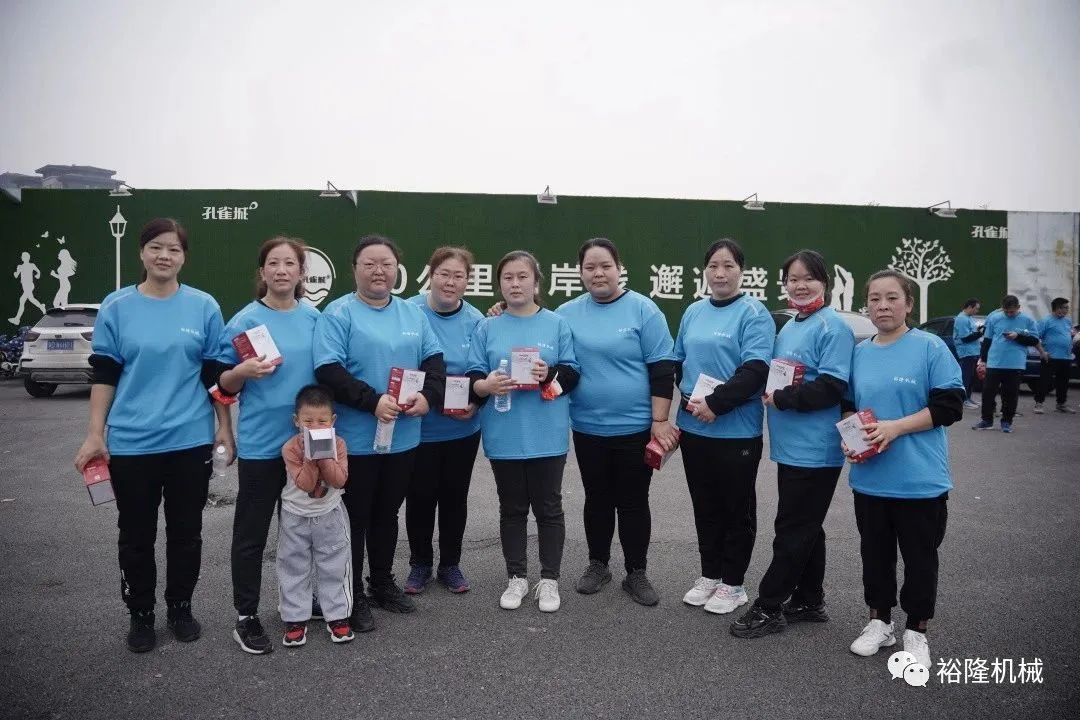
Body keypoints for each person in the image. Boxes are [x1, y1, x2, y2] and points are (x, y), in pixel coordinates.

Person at [73, 218, 234, 653]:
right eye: (156, 247)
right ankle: (140, 613)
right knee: (136, 536)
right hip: (132, 442)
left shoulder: (203, 306)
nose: (165, 256)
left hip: (189, 441)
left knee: (186, 532)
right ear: (142, 252)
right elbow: (105, 373)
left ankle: (180, 607)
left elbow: (214, 375)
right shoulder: (117, 306)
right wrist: (95, 434)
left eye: (174, 249)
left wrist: (224, 427)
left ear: (184, 257)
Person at [313, 235, 445, 632]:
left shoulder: (412, 314)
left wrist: (427, 397)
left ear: (397, 270)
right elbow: (328, 371)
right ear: (354, 268)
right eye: (369, 263)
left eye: (386, 264)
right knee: (354, 518)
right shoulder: (338, 313)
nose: (378, 271)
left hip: (403, 437)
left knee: (388, 513)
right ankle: (350, 594)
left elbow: (434, 362)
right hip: (356, 439)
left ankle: (382, 582)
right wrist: (371, 402)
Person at [843, 269, 964, 670]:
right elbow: (849, 405)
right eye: (874, 298)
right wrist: (851, 437)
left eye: (892, 298)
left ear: (909, 304)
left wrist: (895, 427)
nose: (883, 306)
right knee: (875, 556)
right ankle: (879, 622)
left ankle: (916, 630)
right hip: (870, 480)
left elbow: (949, 406)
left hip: (920, 481)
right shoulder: (860, 353)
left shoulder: (930, 347)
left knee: (920, 559)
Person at [731, 250, 854, 638]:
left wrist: (784, 399)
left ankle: (769, 606)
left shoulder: (833, 328)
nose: (800, 286)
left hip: (816, 449)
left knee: (792, 527)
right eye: (792, 279)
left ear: (824, 282)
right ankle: (809, 599)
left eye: (808, 278)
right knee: (806, 525)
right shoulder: (791, 325)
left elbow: (832, 386)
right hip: (791, 447)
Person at [556, 238, 677, 606]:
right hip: (587, 427)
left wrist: (660, 420)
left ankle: (636, 572)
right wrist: (501, 311)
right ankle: (598, 564)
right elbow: (538, 336)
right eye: (590, 267)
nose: (598, 273)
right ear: (580, 273)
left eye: (605, 266)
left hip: (635, 429)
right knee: (596, 499)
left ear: (619, 268)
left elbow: (662, 369)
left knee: (633, 501)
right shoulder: (566, 314)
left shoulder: (644, 310)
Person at [214, 237, 320, 654]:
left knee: (301, 531)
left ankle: (297, 601)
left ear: (300, 272)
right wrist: (241, 372)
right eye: (273, 263)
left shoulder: (315, 318)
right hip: (261, 445)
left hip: (306, 444)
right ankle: (246, 615)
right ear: (262, 272)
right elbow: (221, 385)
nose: (281, 270)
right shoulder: (244, 321)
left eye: (289, 263)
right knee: (252, 533)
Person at [466, 250, 579, 613]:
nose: (515, 284)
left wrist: (549, 374)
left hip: (547, 433)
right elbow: (473, 376)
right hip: (504, 434)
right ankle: (516, 577)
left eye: (522, 276)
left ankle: (550, 579)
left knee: (549, 509)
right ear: (499, 284)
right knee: (512, 509)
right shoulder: (486, 327)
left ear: (536, 282)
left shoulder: (557, 324)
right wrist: (486, 385)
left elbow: (572, 373)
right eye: (508, 277)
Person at [674, 239, 775, 617]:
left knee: (736, 509)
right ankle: (710, 574)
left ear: (741, 271)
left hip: (736, 431)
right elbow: (679, 361)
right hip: (694, 428)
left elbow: (756, 370)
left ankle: (733, 583)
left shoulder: (754, 313)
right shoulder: (693, 311)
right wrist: (689, 400)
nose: (720, 273)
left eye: (728, 265)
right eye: (713, 266)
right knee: (705, 506)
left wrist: (716, 404)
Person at [403, 247, 485, 595]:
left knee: (454, 497)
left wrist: (476, 403)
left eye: (458, 276)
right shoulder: (408, 311)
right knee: (419, 497)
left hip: (461, 427)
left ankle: (450, 564)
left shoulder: (477, 320)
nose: (450, 282)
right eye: (444, 274)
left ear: (468, 281)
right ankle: (420, 564)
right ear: (430, 275)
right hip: (418, 426)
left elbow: (482, 368)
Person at [278, 385, 353, 646]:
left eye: (322, 421)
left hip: (329, 514)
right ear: (296, 421)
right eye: (308, 421)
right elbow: (306, 484)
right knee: (293, 566)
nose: (314, 427)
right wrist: (311, 456)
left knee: (334, 565)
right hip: (295, 515)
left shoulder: (339, 444)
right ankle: (295, 618)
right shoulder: (290, 448)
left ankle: (338, 616)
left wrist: (325, 455)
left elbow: (339, 480)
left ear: (333, 421)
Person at [973, 295, 1039, 433]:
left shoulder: (1027, 320)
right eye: (1006, 311)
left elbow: (1034, 340)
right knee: (988, 392)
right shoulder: (994, 318)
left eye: (1012, 311)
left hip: (1015, 364)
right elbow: (987, 341)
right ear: (1002, 308)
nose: (1009, 314)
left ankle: (1007, 422)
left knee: (1010, 395)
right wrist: (983, 360)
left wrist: (1018, 336)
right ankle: (987, 420)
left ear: (1018, 307)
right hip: (994, 362)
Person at [1034, 297, 1075, 414]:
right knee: (1045, 381)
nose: (1066, 310)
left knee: (1063, 382)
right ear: (1056, 308)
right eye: (1064, 308)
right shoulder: (1045, 321)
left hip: (1065, 357)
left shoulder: (1067, 321)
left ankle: (1061, 404)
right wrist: (1042, 352)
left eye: (1067, 308)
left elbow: (1068, 336)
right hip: (1050, 357)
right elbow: (1035, 337)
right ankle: (1038, 404)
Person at [951, 298, 982, 410]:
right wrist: (980, 333)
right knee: (966, 377)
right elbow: (965, 338)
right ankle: (963, 399)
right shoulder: (962, 319)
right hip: (966, 352)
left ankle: (968, 397)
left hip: (973, 352)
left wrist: (978, 331)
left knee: (972, 377)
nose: (977, 311)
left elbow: (971, 332)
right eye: (976, 309)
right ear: (969, 307)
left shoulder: (969, 318)